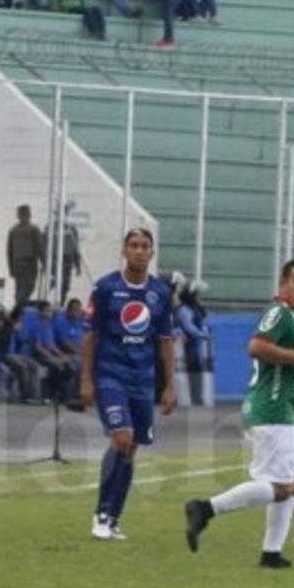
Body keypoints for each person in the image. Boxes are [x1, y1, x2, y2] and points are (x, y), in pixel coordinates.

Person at [184, 259, 294, 567]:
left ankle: (271, 552)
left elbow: (277, 368)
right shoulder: (279, 313)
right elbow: (256, 348)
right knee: (282, 487)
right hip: (271, 409)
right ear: (283, 284)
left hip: (282, 405)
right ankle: (204, 509)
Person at [80, 228, 176, 541]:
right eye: (133, 245)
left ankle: (113, 517)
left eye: (144, 246)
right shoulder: (106, 288)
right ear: (124, 251)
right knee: (122, 438)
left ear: (151, 253)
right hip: (111, 375)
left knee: (131, 448)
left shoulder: (160, 293)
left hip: (143, 379)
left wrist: (169, 385)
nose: (138, 251)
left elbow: (164, 342)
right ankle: (102, 513)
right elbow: (90, 335)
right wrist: (86, 378)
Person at [176, 281, 212, 405]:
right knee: (192, 369)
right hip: (189, 345)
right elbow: (189, 327)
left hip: (198, 345)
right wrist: (203, 335)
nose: (198, 298)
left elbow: (202, 323)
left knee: (198, 370)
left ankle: (198, 397)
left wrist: (205, 334)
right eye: (196, 295)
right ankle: (193, 397)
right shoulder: (184, 309)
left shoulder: (196, 308)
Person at [0, 304, 42, 403]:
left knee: (34, 365)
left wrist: (18, 333)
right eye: (20, 319)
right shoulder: (7, 327)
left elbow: (21, 341)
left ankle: (35, 396)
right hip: (5, 354)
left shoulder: (18, 329)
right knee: (22, 366)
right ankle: (25, 396)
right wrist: (10, 329)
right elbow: (1, 343)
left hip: (16, 355)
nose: (22, 322)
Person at [6, 204, 43, 304]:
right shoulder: (15, 230)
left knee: (26, 287)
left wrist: (44, 262)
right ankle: (19, 305)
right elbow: (10, 251)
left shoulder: (32, 229)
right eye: (22, 215)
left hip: (27, 262)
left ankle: (19, 304)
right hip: (23, 263)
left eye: (25, 215)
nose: (24, 217)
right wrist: (11, 268)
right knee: (25, 287)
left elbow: (39, 248)